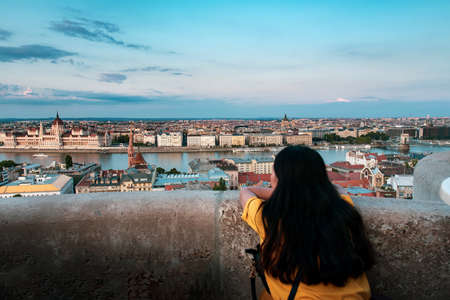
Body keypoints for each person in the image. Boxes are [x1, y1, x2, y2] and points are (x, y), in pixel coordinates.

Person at [240, 146, 375, 300]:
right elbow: (337, 189)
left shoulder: (269, 218)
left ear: (277, 179)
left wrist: (282, 194)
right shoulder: (343, 211)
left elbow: (246, 192)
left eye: (272, 173)